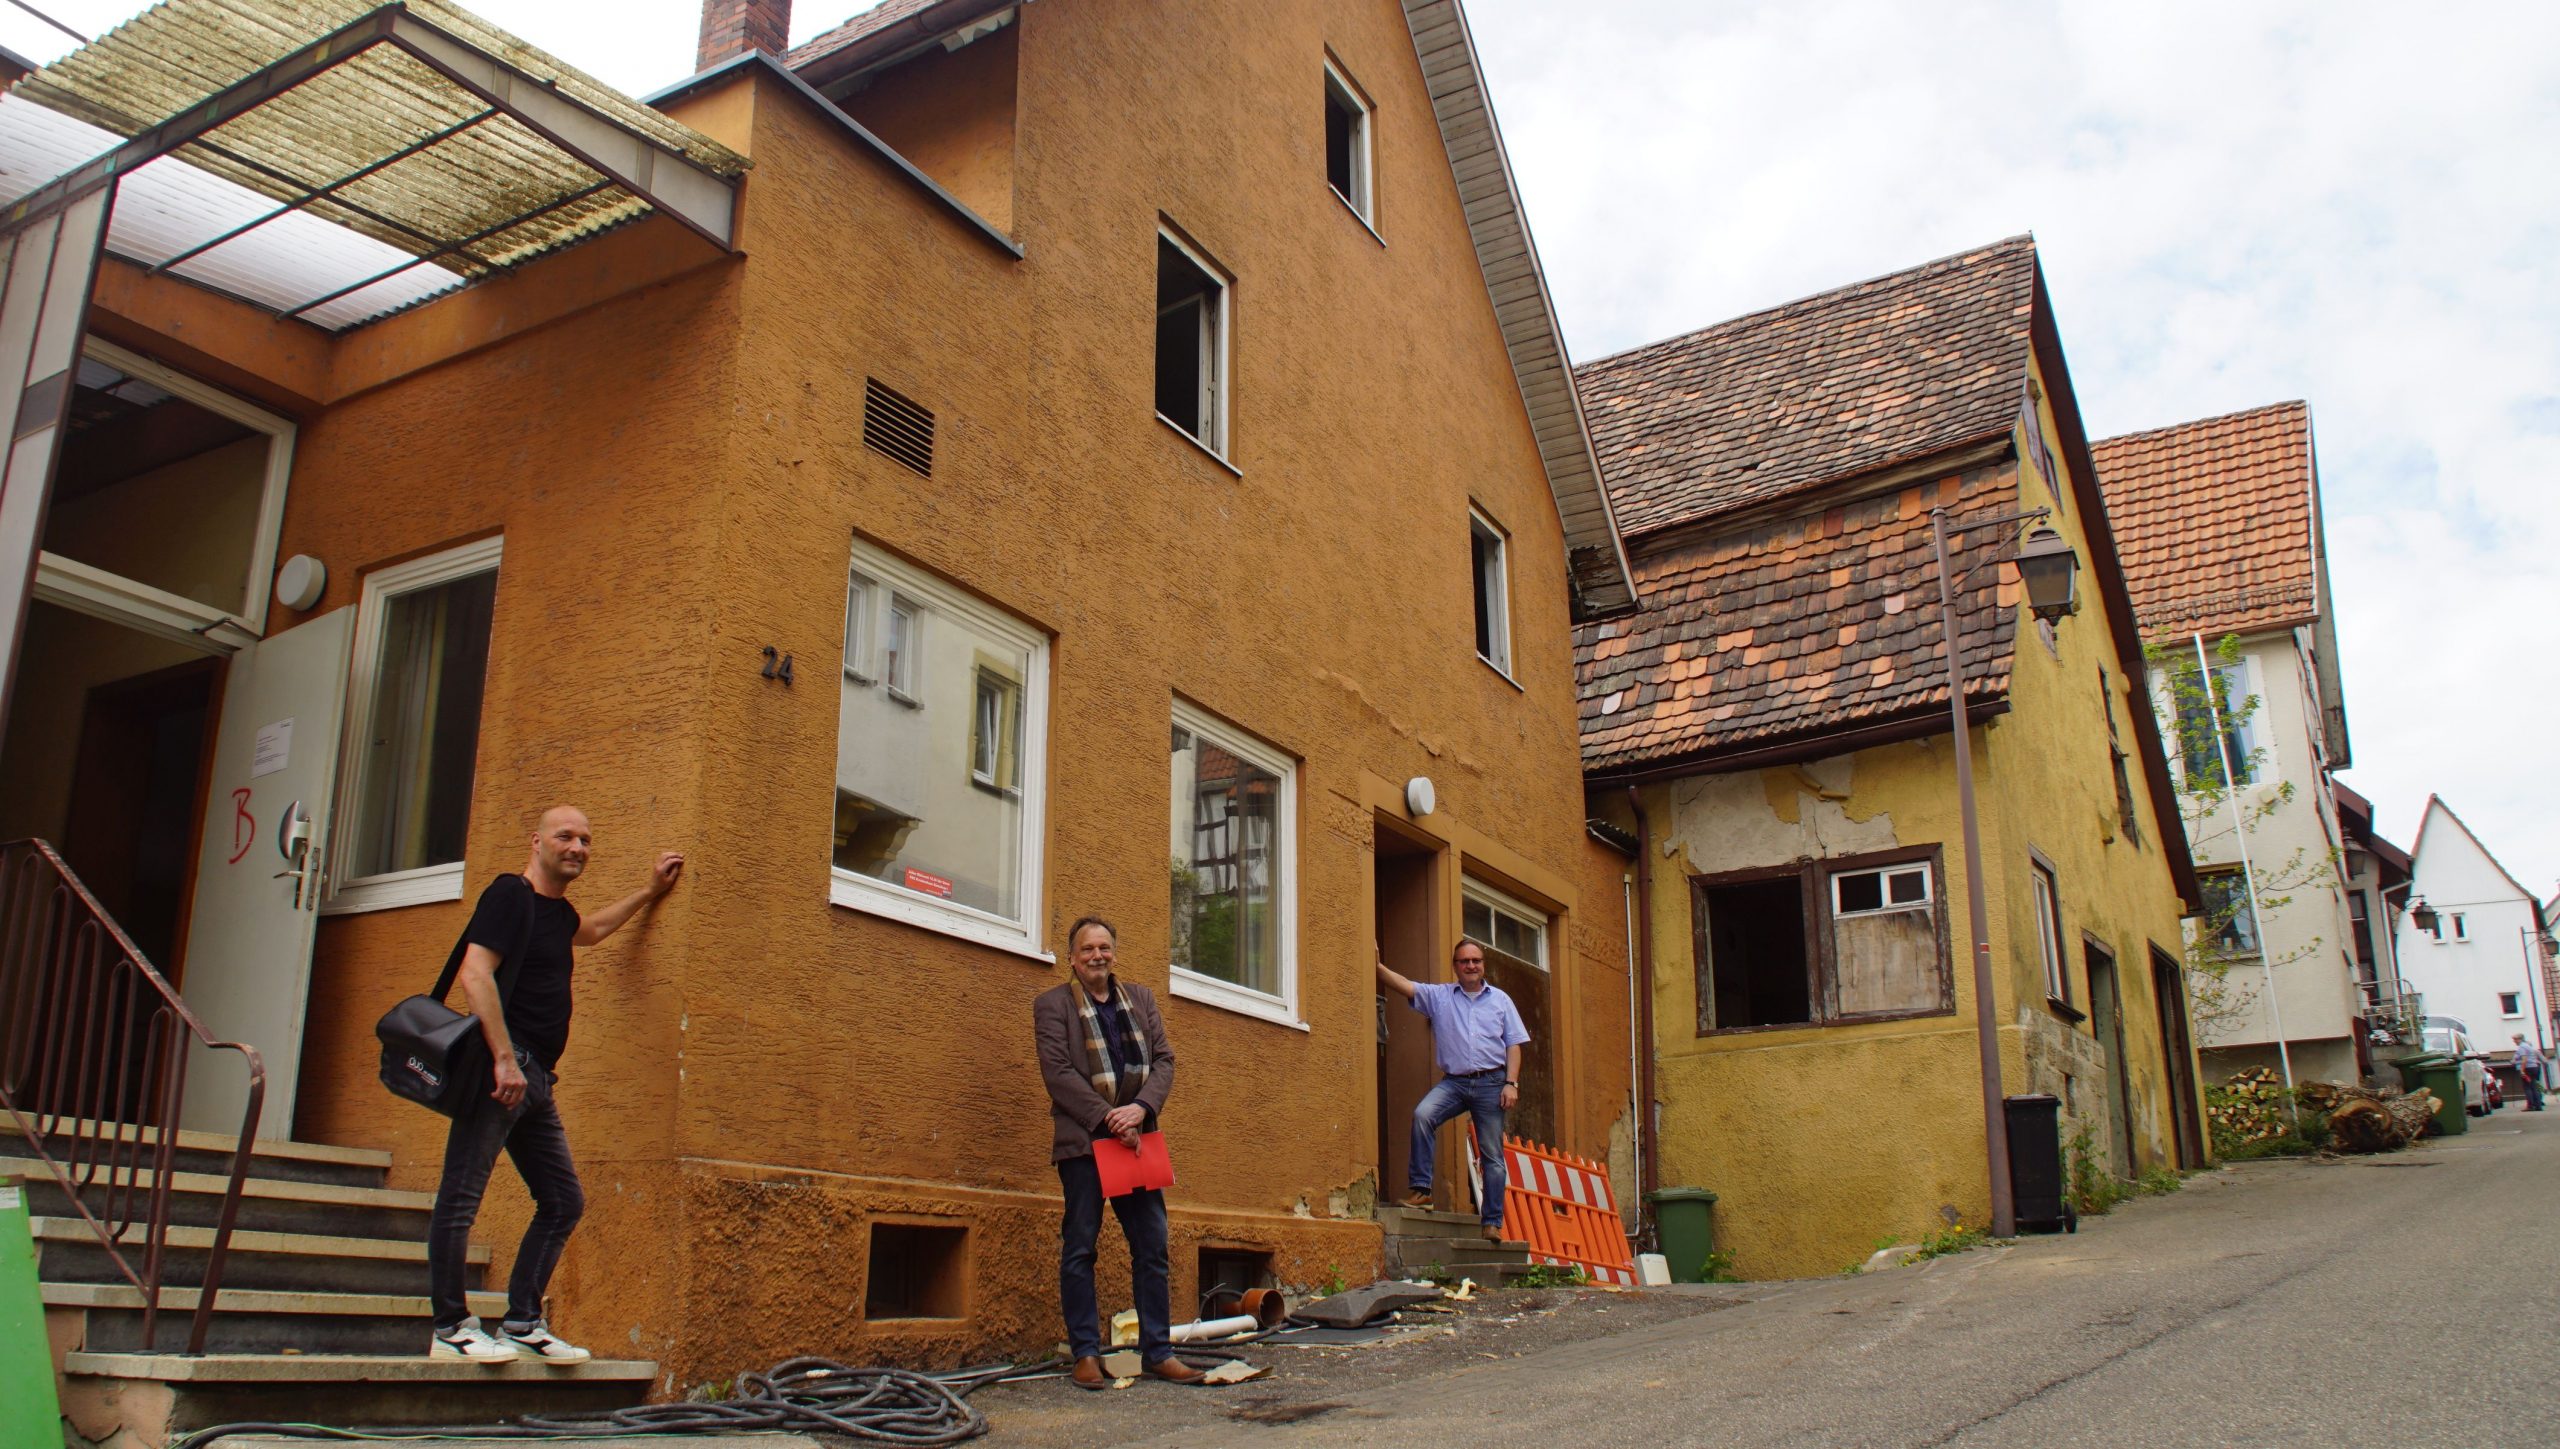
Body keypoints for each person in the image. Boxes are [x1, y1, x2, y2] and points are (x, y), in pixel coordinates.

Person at [426, 806, 682, 1363]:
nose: (578, 847)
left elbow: (593, 931)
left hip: (536, 1077)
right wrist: (503, 1059)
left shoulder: (559, 913)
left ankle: (521, 1322)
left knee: (563, 1201)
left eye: (586, 839)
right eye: (566, 836)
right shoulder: (508, 896)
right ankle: (450, 1327)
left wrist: (649, 891)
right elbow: (475, 973)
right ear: (537, 841)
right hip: (504, 1071)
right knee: (462, 1197)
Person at [1032, 917, 1203, 1389]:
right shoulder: (1052, 1005)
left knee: (1152, 1245)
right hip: (1085, 1144)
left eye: (1104, 947)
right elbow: (1057, 1072)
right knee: (1080, 1246)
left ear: (1114, 953)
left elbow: (1164, 1060)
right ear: (1072, 957)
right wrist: (1111, 1118)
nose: (1097, 955)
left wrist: (1140, 1109)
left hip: (1137, 1142)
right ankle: (1086, 1354)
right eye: (1087, 948)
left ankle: (1158, 1352)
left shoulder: (1141, 1000)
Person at [1376, 940, 1530, 1240]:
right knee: (1423, 1115)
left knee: (1492, 1155)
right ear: (1455, 966)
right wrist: (1378, 967)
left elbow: (1514, 1044)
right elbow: (1406, 986)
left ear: (1483, 964)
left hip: (1492, 1083)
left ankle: (1492, 1222)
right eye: (1464, 961)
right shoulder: (1440, 996)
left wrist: (1511, 1083)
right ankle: (1422, 1191)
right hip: (1454, 1082)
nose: (1471, 965)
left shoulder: (1501, 1000)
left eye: (1476, 960)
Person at [2512, 1034, 2546, 1112]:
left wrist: (2522, 1070)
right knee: (2534, 1086)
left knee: (2527, 1087)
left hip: (2527, 1068)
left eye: (2515, 1039)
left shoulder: (2522, 1047)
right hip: (2534, 1067)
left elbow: (2524, 1059)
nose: (2514, 1041)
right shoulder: (2528, 1046)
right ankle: (2538, 1105)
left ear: (2520, 1039)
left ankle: (2531, 1106)